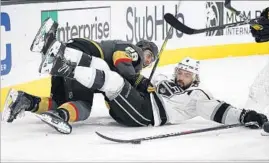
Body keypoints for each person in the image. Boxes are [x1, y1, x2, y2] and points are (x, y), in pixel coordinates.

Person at [5, 50, 268, 134]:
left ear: (195, 78)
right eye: (180, 71)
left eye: (187, 74)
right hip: (139, 102)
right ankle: (61, 54)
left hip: (145, 114)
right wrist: (141, 82)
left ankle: (63, 67)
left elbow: (220, 111)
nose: (181, 76)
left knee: (113, 82)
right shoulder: (166, 79)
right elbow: (142, 83)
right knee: (103, 67)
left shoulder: (198, 96)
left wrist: (247, 116)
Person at [2, 18, 158, 127]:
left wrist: (133, 94)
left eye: (152, 60)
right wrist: (138, 81)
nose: (149, 61)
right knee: (83, 105)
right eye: (149, 55)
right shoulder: (134, 51)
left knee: (59, 102)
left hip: (75, 60)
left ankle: (24, 100)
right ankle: (60, 115)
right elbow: (120, 61)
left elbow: (111, 96)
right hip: (84, 57)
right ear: (142, 47)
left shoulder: (130, 64)